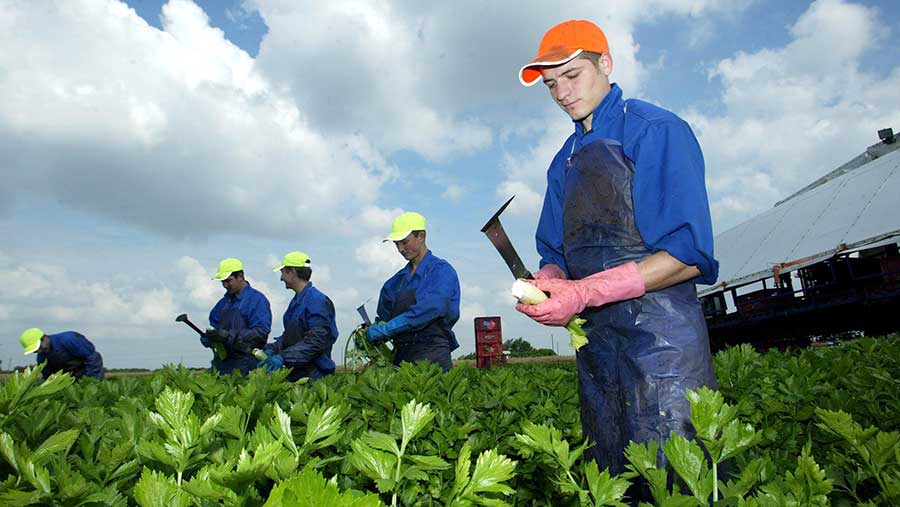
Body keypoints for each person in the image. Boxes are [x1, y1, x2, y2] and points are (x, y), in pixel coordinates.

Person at [515, 20, 719, 474]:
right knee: (610, 469)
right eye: (551, 85)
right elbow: (555, 251)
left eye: (573, 75)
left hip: (661, 339)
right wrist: (548, 281)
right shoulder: (562, 161)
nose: (562, 93)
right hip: (596, 346)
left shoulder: (655, 131)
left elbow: (688, 253)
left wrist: (585, 292)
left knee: (675, 473)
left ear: (605, 63)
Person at [367, 212, 460, 372]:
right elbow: (384, 318)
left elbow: (430, 309)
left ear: (421, 236)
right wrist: (371, 331)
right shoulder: (394, 282)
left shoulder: (441, 271)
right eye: (397, 244)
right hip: (401, 357)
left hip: (433, 354)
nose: (400, 249)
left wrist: (387, 329)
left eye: (404, 242)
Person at [258, 251, 339, 381]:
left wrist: (283, 357)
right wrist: (272, 349)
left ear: (292, 272)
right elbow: (291, 336)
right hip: (297, 373)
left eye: (283, 272)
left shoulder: (317, 301)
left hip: (315, 375)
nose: (281, 278)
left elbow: (315, 342)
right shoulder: (297, 301)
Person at [206, 257, 272, 375]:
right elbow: (214, 325)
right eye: (222, 282)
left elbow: (261, 331)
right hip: (222, 364)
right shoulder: (223, 303)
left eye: (228, 281)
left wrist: (229, 336)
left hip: (247, 364)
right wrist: (209, 338)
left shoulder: (257, 300)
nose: (225, 285)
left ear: (240, 276)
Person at [19, 328, 104, 380]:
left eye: (39, 347)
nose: (40, 351)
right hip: (70, 379)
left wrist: (91, 380)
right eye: (36, 351)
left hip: (88, 372)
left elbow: (93, 358)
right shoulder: (42, 358)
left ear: (44, 338)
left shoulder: (69, 339)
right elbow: (48, 377)